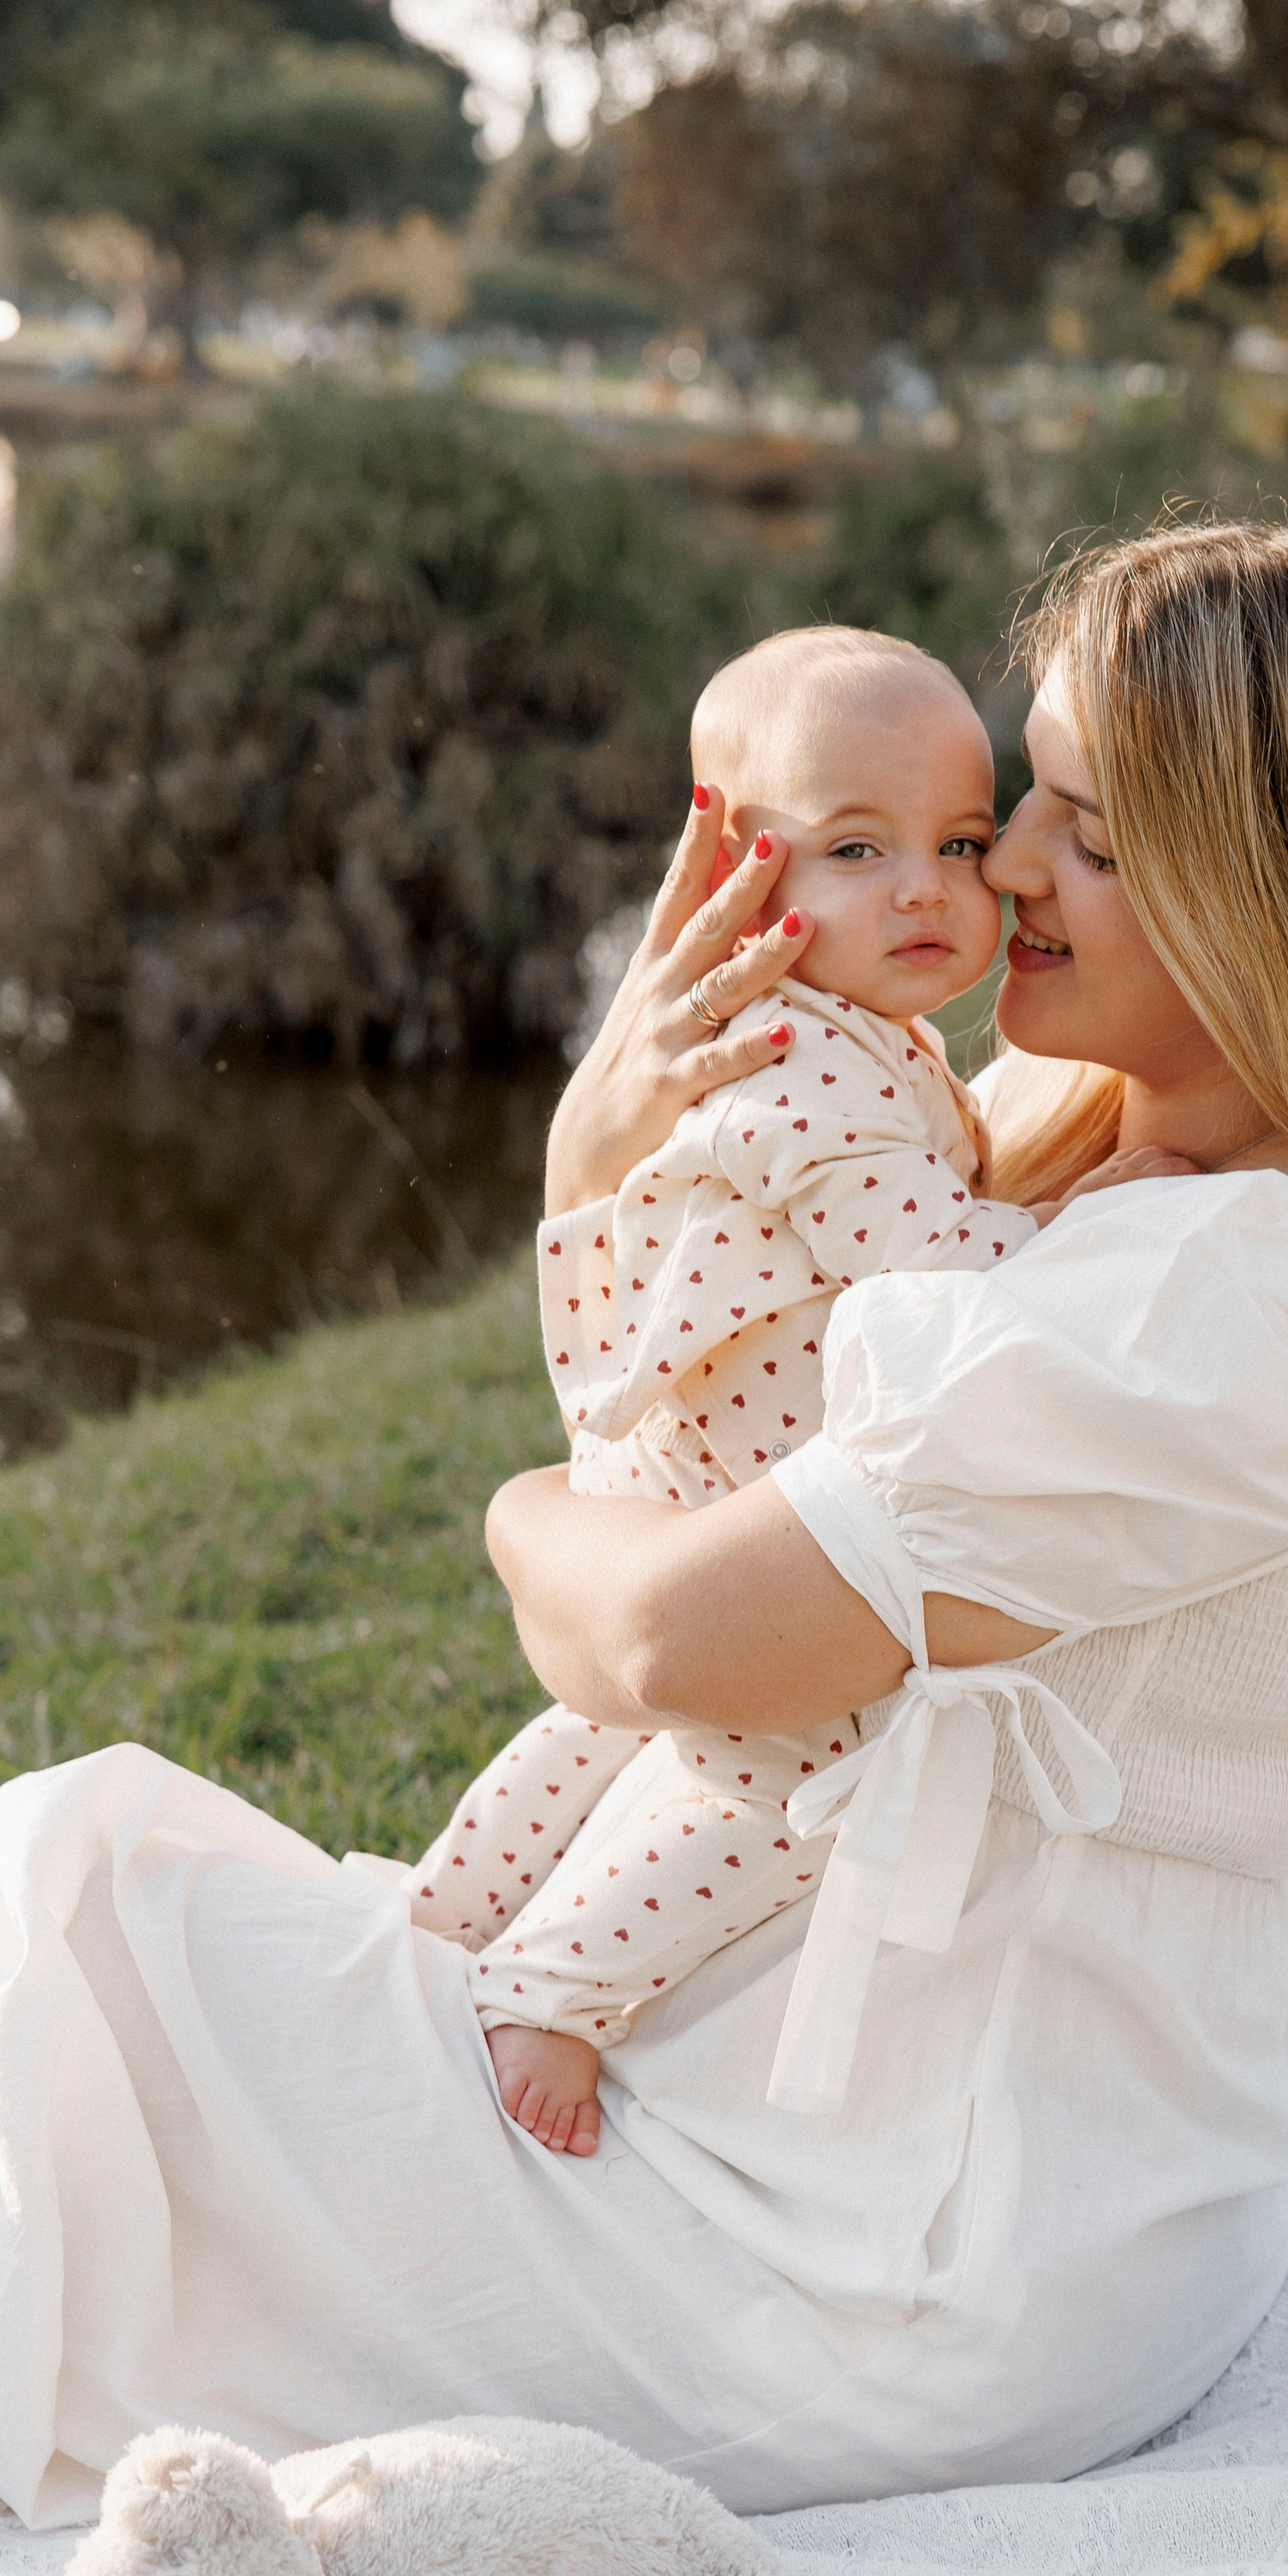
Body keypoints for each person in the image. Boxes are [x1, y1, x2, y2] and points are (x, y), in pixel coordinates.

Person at [0, 521, 1288, 2535]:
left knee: (74, 1949)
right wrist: (592, 1163)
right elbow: (695, 1449)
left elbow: (664, 1639)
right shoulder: (1038, 1172)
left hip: (888, 2232)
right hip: (819, 2101)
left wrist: (530, 1515)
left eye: (1089, 829)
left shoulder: (1250, 1299)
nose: (1000, 875)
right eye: (1011, 803)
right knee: (67, 1963)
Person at [408, 624, 1070, 2164]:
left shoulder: (853, 1040)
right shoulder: (802, 1069)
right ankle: (553, 1990)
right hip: (737, 1488)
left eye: (958, 844)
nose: (925, 888)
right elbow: (940, 1269)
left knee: (589, 1726)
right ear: (737, 875)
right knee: (776, 1770)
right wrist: (1081, 1220)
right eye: (856, 847)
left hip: (690, 1455)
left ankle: (452, 1903)